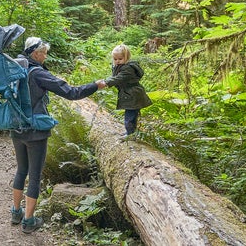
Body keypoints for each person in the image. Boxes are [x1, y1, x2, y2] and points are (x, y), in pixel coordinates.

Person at [10, 37, 105, 233]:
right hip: (35, 132)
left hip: (15, 127)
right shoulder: (38, 73)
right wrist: (95, 85)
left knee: (21, 170)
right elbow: (71, 92)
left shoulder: (15, 66)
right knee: (34, 176)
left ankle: (16, 212)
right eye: (44, 53)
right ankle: (29, 221)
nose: (45, 56)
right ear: (36, 53)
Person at [103, 44, 152, 139]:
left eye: (120, 59)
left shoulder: (128, 68)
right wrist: (106, 80)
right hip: (129, 95)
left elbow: (119, 78)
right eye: (115, 59)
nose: (117, 61)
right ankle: (130, 132)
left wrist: (106, 83)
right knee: (130, 115)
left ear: (127, 57)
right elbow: (114, 77)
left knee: (129, 117)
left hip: (133, 95)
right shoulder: (119, 66)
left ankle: (130, 134)